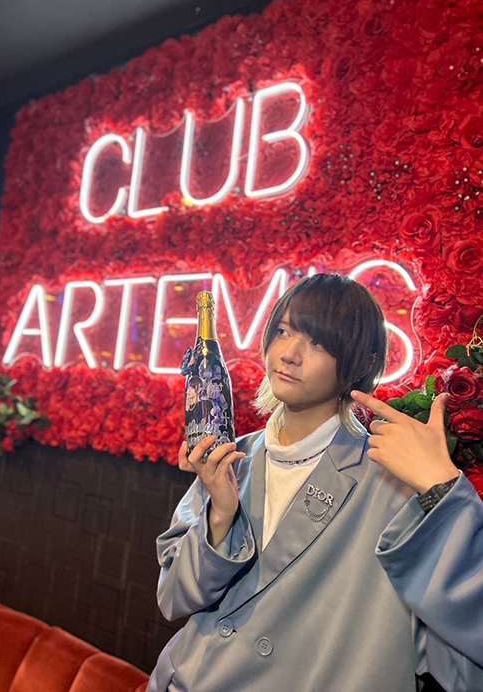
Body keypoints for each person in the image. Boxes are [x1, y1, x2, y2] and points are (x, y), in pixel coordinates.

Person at [147, 274, 483, 692]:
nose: (289, 354)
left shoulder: (391, 481)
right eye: (283, 331)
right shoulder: (232, 457)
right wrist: (220, 516)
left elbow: (467, 652)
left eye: (319, 343)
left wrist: (442, 489)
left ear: (360, 364)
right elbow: (173, 599)